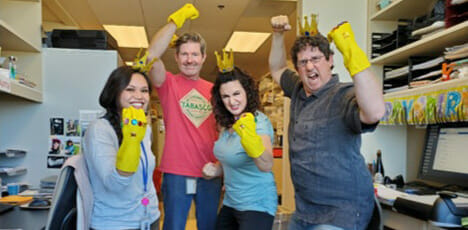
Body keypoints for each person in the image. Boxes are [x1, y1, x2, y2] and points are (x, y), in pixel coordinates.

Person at [269, 16, 385, 230]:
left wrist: (351, 51)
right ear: (297, 67)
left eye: (316, 58)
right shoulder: (297, 89)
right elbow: (276, 69)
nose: (310, 66)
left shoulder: (343, 94)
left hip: (343, 212)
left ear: (330, 60)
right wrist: (278, 35)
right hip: (305, 212)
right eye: (303, 62)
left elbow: (375, 111)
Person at [146, 3, 221, 230]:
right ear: (176, 58)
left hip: (211, 171)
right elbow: (150, 55)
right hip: (177, 172)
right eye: (184, 54)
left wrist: (222, 166)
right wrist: (175, 21)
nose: (190, 60)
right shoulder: (168, 83)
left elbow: (225, 130)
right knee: (174, 226)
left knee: (209, 226)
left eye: (195, 54)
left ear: (204, 57)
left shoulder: (215, 90)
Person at [82, 65, 160, 230]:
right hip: (116, 223)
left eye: (144, 90)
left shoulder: (143, 128)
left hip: (149, 217)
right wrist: (131, 141)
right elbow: (115, 184)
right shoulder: (99, 129)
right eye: (130, 89)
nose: (139, 96)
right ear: (115, 92)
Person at [202, 60, 278, 230]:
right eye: (226, 96)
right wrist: (215, 169)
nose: (232, 101)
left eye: (237, 94)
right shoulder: (226, 123)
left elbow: (266, 164)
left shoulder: (258, 121)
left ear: (247, 93)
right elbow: (230, 158)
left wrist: (250, 138)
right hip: (231, 201)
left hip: (257, 204)